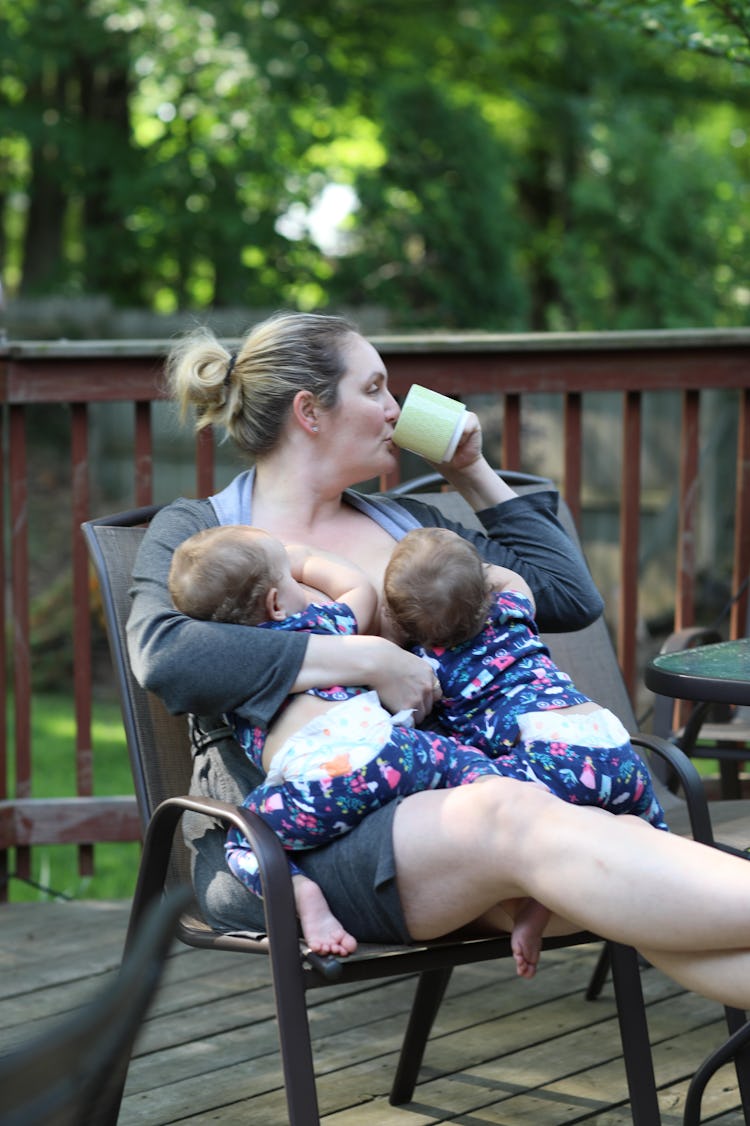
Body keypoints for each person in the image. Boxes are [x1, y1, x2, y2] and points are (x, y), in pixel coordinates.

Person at [127, 309, 750, 1011]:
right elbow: (165, 655)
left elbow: (569, 597)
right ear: (310, 411)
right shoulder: (205, 533)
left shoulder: (407, 526)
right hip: (293, 846)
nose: (396, 409)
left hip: (456, 816)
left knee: (623, 856)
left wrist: (471, 469)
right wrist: (366, 658)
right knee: (543, 828)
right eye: (375, 389)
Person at [167, 522, 552, 972]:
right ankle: (530, 859)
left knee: (247, 840)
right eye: (292, 581)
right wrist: (305, 556)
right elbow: (358, 589)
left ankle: (304, 897)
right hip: (396, 751)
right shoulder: (322, 628)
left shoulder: (237, 676)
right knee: (481, 771)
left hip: (324, 783)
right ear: (276, 602)